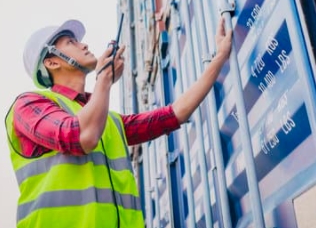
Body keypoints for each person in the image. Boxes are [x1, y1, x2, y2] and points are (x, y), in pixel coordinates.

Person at [5, 16, 232, 228]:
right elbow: (81, 137)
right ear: (52, 62)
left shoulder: (109, 120)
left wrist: (219, 58)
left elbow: (176, 113)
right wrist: (104, 79)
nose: (84, 45)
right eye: (71, 42)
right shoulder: (28, 105)